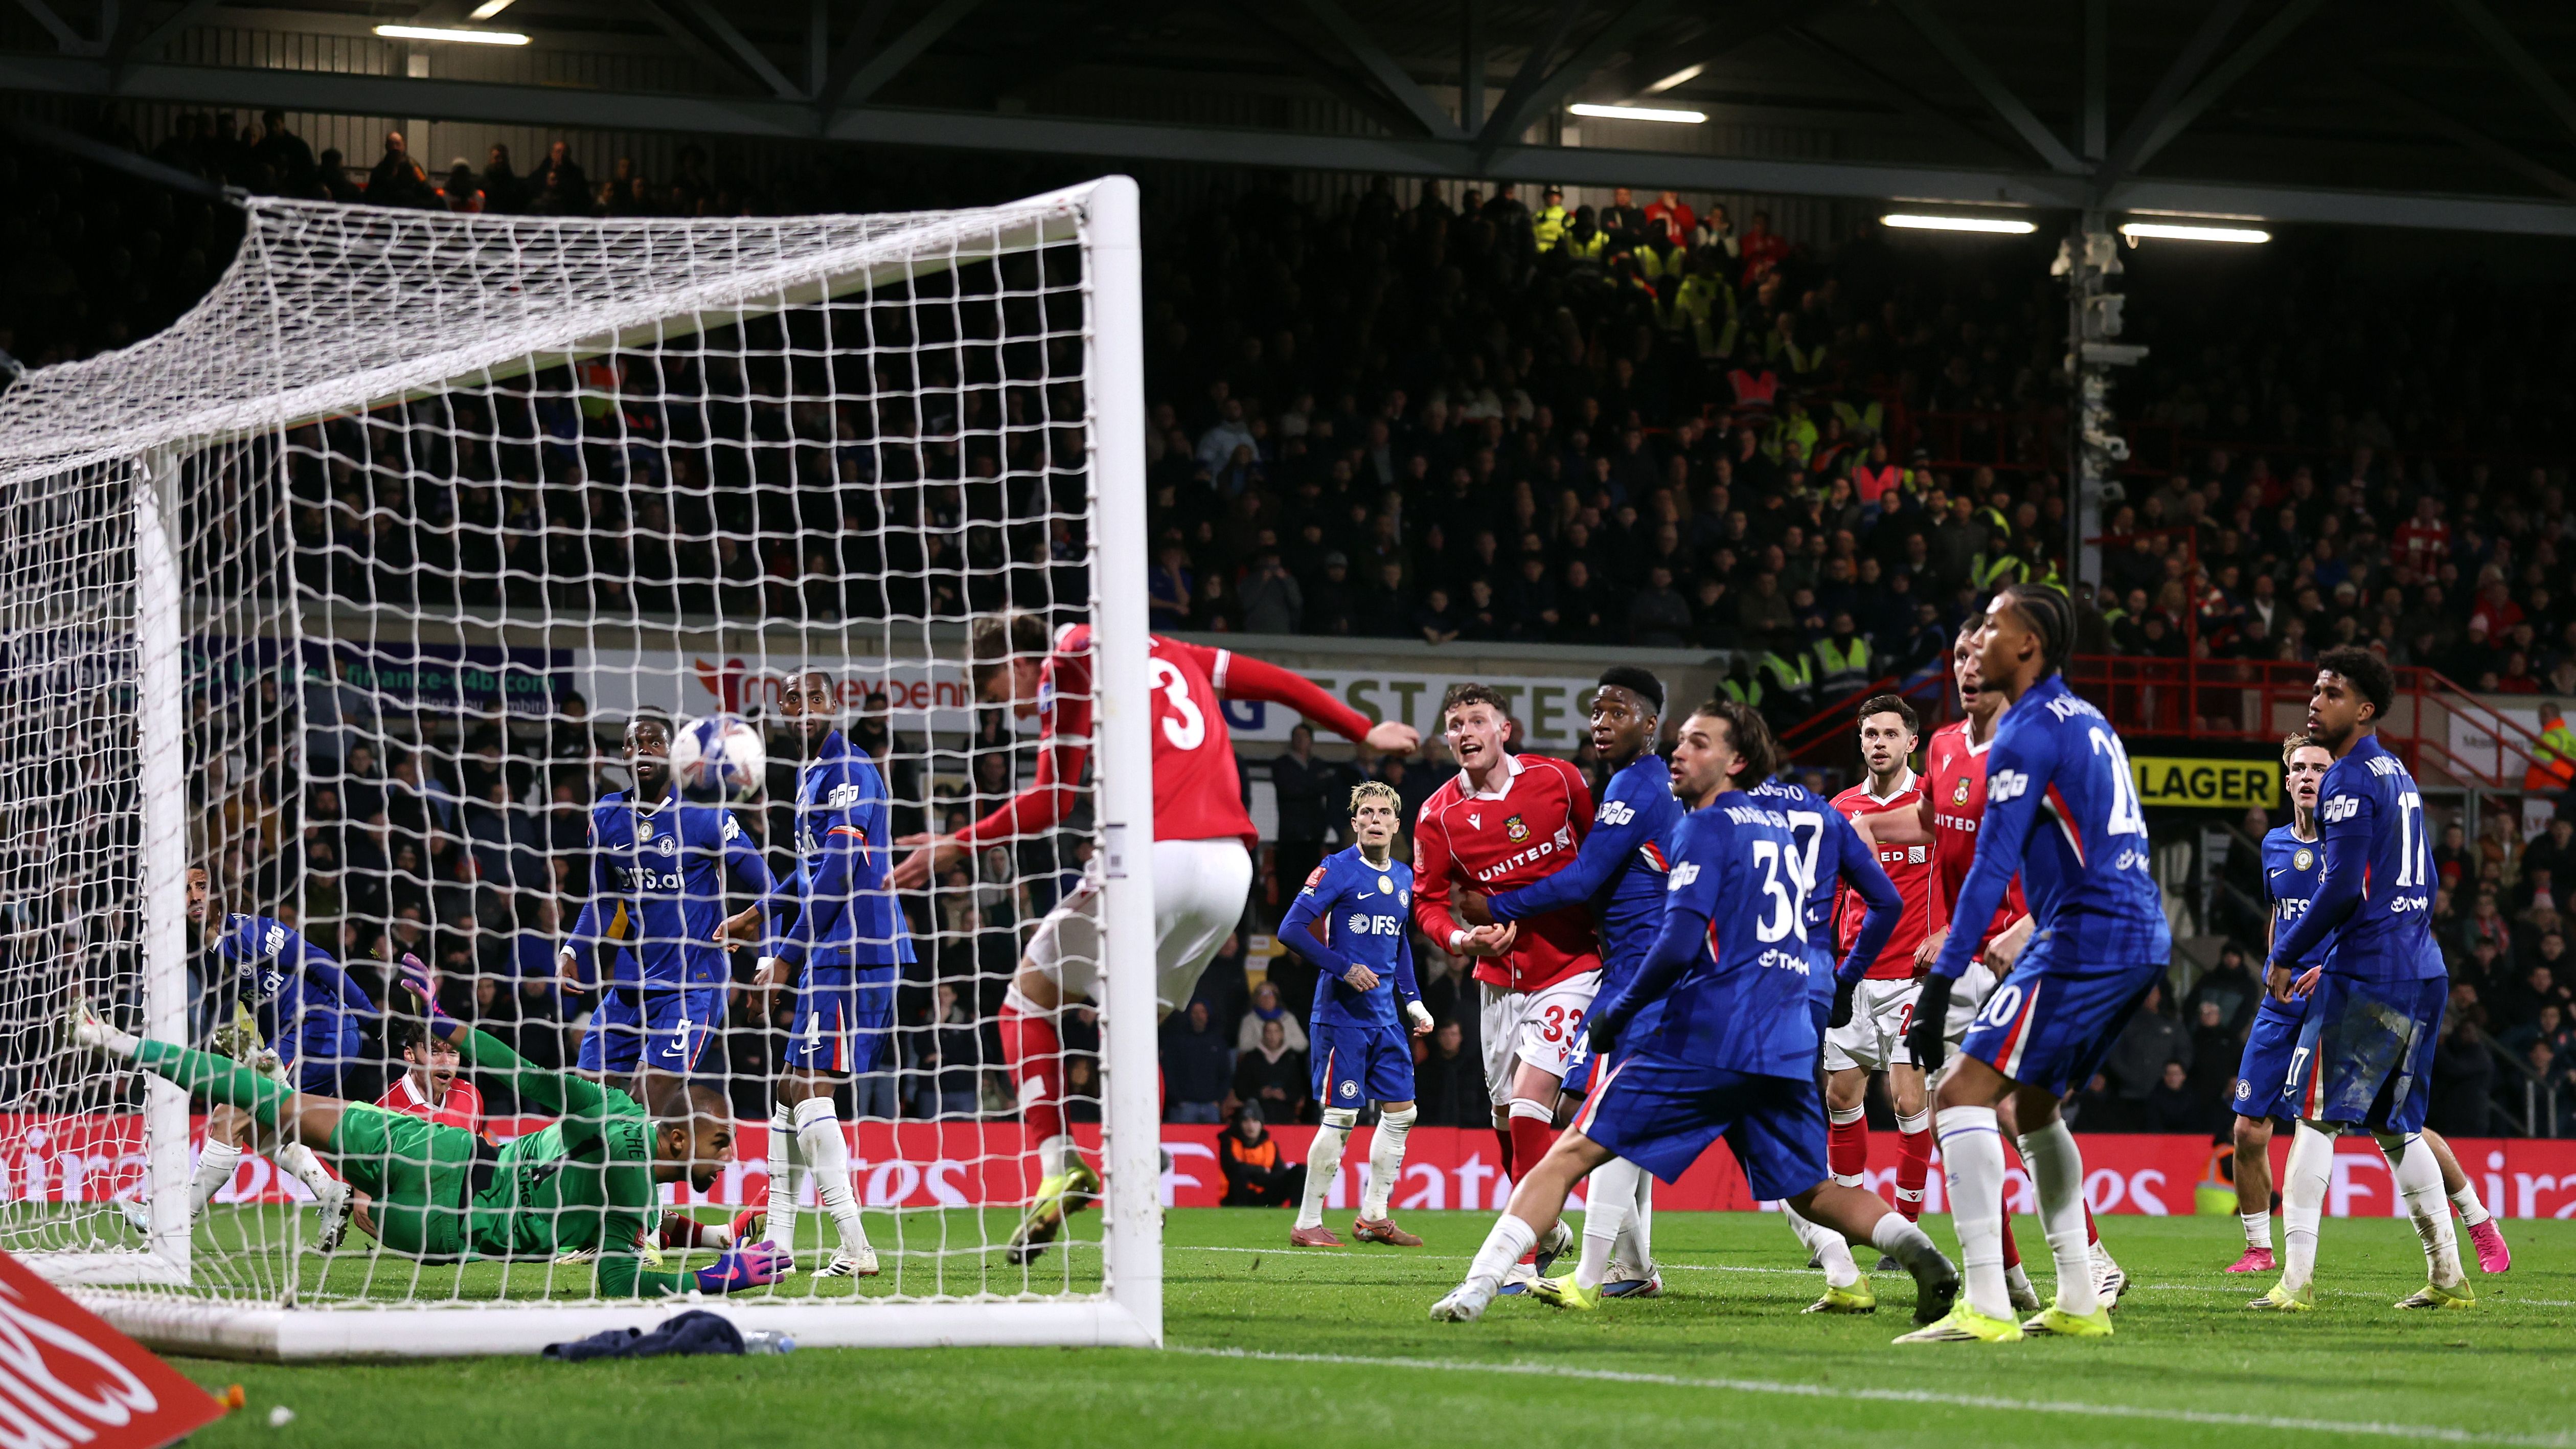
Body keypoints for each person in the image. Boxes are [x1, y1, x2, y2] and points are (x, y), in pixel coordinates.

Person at [890, 614, 1417, 1263]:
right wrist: (1359, 728)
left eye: (1004, 691)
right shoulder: (1173, 650)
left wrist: (956, 842)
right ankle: (1140, 1193)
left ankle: (1059, 1166)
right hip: (1229, 872)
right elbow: (1271, 681)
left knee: (1023, 1000)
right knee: (1133, 1031)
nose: (1017, 707)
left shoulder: (1066, 658)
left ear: (1017, 662)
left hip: (1155, 858)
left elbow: (1052, 799)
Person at [1428, 701, 1958, 1322]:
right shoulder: (1819, 811)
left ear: (1736, 759)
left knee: (1572, 1149)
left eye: (1696, 742)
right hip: (1788, 1027)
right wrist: (1841, 980)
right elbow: (1885, 900)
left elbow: (1678, 943)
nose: (1677, 754)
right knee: (1811, 1188)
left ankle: (1481, 1283)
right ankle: (1922, 1253)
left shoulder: (1707, 824)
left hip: (1707, 1025)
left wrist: (1617, 1010)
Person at [69, 962, 786, 1300]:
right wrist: (713, 1280)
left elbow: (533, 1079)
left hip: (444, 1168)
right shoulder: (626, 1184)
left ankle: (120, 1042)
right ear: (676, 1138)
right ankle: (327, 1188)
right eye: (723, 1140)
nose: (735, 1151)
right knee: (267, 1113)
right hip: (443, 1228)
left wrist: (450, 1022)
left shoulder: (625, 1162)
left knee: (269, 1103)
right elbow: (617, 1275)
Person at [1898, 583, 2170, 1344]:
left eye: (1991, 625)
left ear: (2027, 646)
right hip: (2132, 932)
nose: (1976, 637)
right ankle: (2080, 1293)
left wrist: (1939, 982)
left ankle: (1985, 1300)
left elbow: (1989, 868)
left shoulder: (2021, 730)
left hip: (2084, 935)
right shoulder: (2083, 717)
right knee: (2032, 1107)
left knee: (1957, 1091)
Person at [2253, 648, 2487, 1314]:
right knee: (2393, 1125)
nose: (2312, 700)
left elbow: (2337, 891)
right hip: (2422, 967)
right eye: (2313, 689)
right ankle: (2446, 1274)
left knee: (2312, 1119)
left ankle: (2293, 1282)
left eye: (2329, 692)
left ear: (2361, 708)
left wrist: (2286, 954)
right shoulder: (2398, 772)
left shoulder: (2349, 778)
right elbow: (2426, 878)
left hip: (2368, 971)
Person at [1476, 668, 1681, 1299]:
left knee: (1608, 1119)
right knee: (1609, 1116)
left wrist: (1496, 903)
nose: (1600, 722)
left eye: (1616, 712)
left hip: (1645, 977)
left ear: (1650, 724)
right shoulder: (1637, 781)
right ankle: (1631, 1268)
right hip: (1637, 973)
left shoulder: (1636, 783)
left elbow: (1584, 878)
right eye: (1595, 711)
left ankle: (1595, 1273)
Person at [728, 671, 911, 1278]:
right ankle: (777, 1243)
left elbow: (836, 873)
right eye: (791, 700)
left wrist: (785, 956)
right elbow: (808, 872)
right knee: (789, 1090)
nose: (802, 709)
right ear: (780, 711)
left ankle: (856, 1246)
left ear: (837, 705)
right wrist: (761, 911)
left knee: (811, 1089)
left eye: (814, 698)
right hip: (831, 947)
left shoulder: (850, 771)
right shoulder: (812, 777)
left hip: (853, 948)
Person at [1408, 684, 1601, 1213]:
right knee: (1503, 1119)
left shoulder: (1558, 779)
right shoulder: (1436, 816)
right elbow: (1425, 902)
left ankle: (1526, 1250)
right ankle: (1547, 1224)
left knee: (1527, 1102)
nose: (1465, 732)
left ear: (1503, 729)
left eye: (1476, 720)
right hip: (1500, 980)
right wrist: (1462, 938)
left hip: (1574, 967)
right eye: (1455, 724)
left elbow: (1599, 861)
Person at [562, 711, 774, 1100]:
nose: (642, 749)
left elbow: (767, 884)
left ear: (674, 754)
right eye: (632, 743)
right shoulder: (607, 814)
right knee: (586, 1096)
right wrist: (572, 948)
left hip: (693, 982)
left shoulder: (704, 814)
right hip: (631, 983)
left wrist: (765, 960)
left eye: (654, 743)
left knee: (650, 1091)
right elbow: (604, 901)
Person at [169, 867, 369, 1250]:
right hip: (295, 1039)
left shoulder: (249, 933)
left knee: (230, 1115)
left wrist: (370, 1016)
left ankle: (175, 1222)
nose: (194, 897)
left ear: (223, 897)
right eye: (185, 890)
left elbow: (320, 960)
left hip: (319, 1032)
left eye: (201, 887)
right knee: (256, 1128)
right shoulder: (207, 952)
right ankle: (329, 1191)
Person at [1276, 781, 1437, 1248]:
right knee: (1342, 1116)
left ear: (1395, 823)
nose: (1374, 819)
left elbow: (1399, 942)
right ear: (1354, 823)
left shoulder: (1405, 877)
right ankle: (1307, 1223)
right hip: (1341, 1017)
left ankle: (1373, 1216)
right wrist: (1343, 967)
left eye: (1383, 812)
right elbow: (1291, 929)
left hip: (1386, 1018)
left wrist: (1413, 1002)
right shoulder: (1335, 870)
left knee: (1402, 1113)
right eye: (1365, 812)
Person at [1821, 696, 1944, 1229]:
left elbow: (1969, 875)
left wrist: (1945, 931)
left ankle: (1908, 1224)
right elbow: (1828, 890)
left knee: (1906, 1097)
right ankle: (1850, 1221)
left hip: (1913, 977)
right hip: (1852, 974)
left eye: (1889, 734)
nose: (1878, 743)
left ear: (1911, 742)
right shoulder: (1841, 806)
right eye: (1870, 733)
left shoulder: (1934, 804)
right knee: (1840, 1094)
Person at [1217, 1104, 1302, 1207]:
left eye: (1255, 1121)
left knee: (1300, 1171)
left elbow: (1279, 1174)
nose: (1251, 1126)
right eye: (1246, 1121)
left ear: (1261, 1124)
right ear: (1240, 1124)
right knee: (1239, 1173)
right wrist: (1261, 1170)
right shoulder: (1229, 1142)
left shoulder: (1270, 1146)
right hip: (1236, 1197)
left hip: (1264, 1194)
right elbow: (1232, 1169)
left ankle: (1297, 1214)